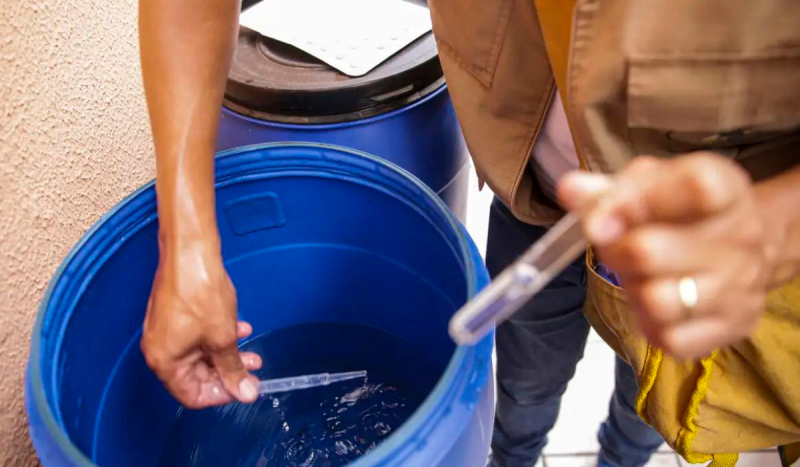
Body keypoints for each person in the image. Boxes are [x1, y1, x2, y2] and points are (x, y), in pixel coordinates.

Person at [137, 0, 800, 466]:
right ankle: (514, 456)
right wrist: (187, 246)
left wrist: (771, 225)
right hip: (534, 194)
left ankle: (622, 457)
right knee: (527, 379)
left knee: (650, 393)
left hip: (704, 226)